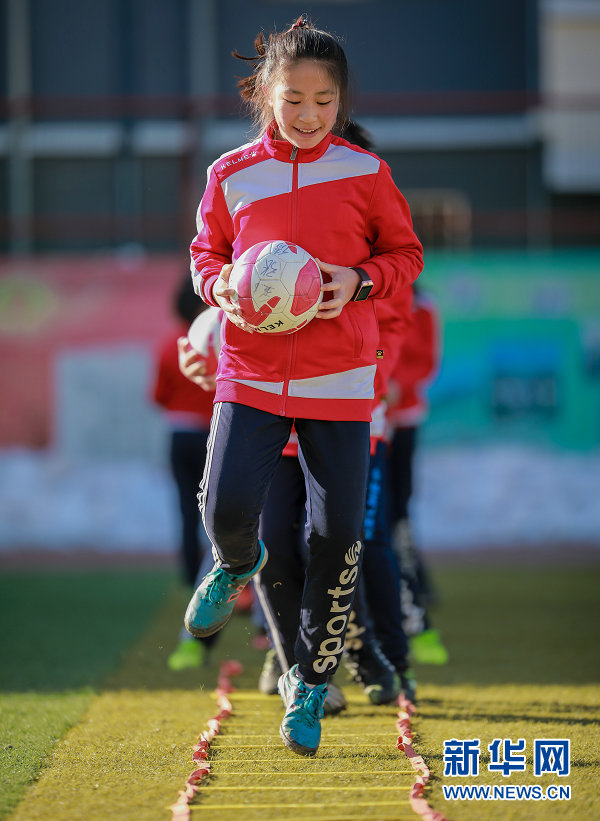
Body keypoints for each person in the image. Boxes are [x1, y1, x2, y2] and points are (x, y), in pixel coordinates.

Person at [184, 16, 423, 756]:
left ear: (341, 100)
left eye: (324, 100)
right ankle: (234, 564)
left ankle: (311, 684)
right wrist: (219, 284)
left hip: (342, 378)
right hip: (249, 370)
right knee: (226, 505)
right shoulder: (229, 174)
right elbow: (204, 254)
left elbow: (405, 256)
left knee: (337, 535)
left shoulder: (366, 174)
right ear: (265, 95)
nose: (309, 114)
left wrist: (358, 280)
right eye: (293, 99)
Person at [151, 275, 217, 670]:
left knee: (185, 510)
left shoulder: (168, 343)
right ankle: (212, 579)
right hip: (215, 430)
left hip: (180, 433)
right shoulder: (221, 337)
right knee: (217, 514)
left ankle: (190, 576)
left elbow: (157, 395)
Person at [386, 285, 449, 665]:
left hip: (402, 419)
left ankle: (413, 586)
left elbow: (425, 361)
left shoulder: (422, 305)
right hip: (365, 419)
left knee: (397, 509)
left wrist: (397, 386)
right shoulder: (356, 288)